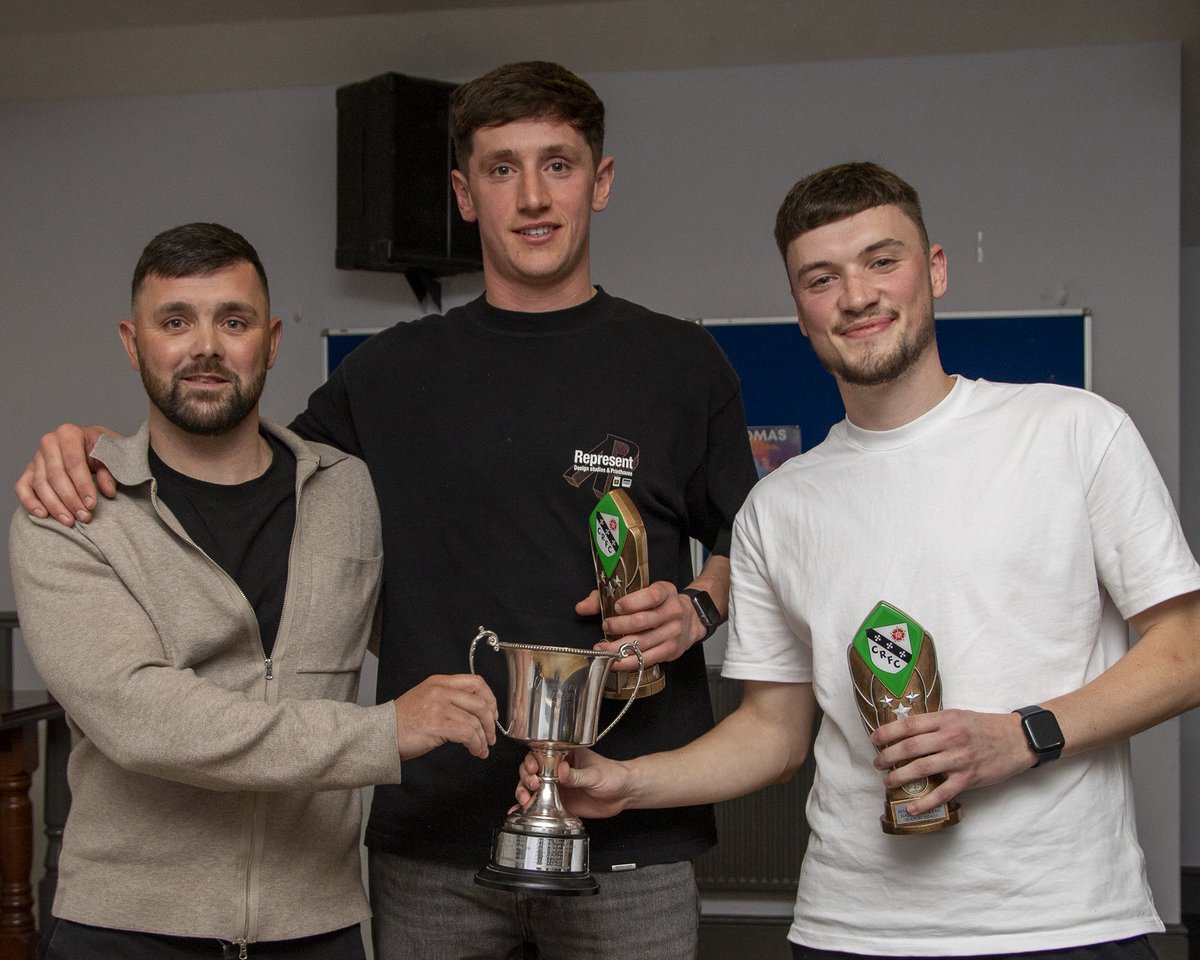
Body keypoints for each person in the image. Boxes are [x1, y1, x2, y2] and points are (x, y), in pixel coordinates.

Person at [15, 64, 759, 960]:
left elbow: (759, 548)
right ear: (463, 193)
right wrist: (97, 444)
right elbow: (237, 454)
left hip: (631, 838)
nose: (531, 197)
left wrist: (702, 603)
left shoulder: (683, 364)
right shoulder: (385, 375)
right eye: (499, 169)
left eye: (558, 165)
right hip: (429, 841)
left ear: (600, 182)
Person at [516, 162, 1200, 960]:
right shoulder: (778, 507)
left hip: (1065, 923)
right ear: (801, 309)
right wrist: (628, 784)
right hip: (851, 931)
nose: (858, 296)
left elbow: (1184, 652)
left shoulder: (1073, 432)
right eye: (822, 278)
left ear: (934, 268)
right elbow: (773, 733)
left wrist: (1024, 735)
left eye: (883, 260)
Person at [10, 223, 498, 960]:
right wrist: (383, 732)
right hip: (125, 931)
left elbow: (434, 614)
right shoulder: (72, 510)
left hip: (318, 927)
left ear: (269, 342)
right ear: (131, 341)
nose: (205, 346)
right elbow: (143, 718)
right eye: (175, 321)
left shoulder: (348, 491)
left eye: (232, 321)